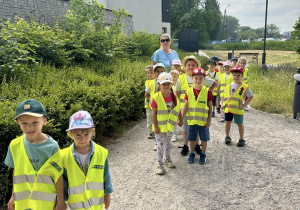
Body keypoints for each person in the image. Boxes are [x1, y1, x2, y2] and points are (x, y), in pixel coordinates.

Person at [4, 99, 66, 210]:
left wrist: (61, 201)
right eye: (24, 123)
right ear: (18, 123)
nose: (29, 128)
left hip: (45, 203)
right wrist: (13, 196)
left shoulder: (52, 147)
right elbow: (16, 172)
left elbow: (58, 175)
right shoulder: (14, 145)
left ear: (44, 121)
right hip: (23, 203)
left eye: (35, 123)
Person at [61, 111, 113, 209]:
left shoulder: (101, 152)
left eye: (86, 134)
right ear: (71, 134)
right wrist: (62, 200)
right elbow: (63, 179)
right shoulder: (64, 156)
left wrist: (107, 194)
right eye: (78, 135)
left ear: (92, 132)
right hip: (76, 204)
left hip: (96, 203)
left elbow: (106, 175)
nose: (82, 139)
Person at [175, 55, 217, 156]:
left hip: (198, 109)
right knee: (185, 129)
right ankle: (186, 146)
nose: (190, 67)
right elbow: (177, 94)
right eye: (188, 65)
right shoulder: (180, 78)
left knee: (196, 127)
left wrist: (206, 93)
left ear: (197, 66)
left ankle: (196, 145)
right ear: (185, 67)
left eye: (193, 65)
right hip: (184, 107)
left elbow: (215, 83)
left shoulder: (200, 76)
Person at [151, 72, 183, 175]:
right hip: (159, 128)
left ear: (171, 85)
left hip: (169, 127)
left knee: (168, 145)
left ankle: (167, 159)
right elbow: (154, 113)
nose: (166, 86)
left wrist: (180, 120)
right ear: (159, 85)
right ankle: (159, 164)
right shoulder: (155, 97)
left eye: (168, 84)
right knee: (160, 146)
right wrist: (155, 127)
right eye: (163, 84)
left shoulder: (174, 97)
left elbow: (178, 110)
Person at [182, 68, 213, 164]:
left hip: (203, 122)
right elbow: (185, 106)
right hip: (192, 121)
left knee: (204, 139)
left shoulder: (207, 91)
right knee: (191, 138)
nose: (198, 80)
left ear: (204, 79)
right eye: (196, 78)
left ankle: (203, 154)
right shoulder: (189, 91)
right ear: (192, 78)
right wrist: (181, 119)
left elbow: (210, 107)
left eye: (200, 78)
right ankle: (192, 153)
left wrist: (209, 121)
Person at [222, 66, 254, 147]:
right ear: (232, 75)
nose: (236, 77)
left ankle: (241, 138)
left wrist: (244, 104)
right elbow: (225, 96)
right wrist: (223, 105)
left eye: (238, 75)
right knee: (227, 122)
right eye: (234, 75)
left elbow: (250, 96)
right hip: (228, 109)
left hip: (238, 109)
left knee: (239, 123)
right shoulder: (228, 86)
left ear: (242, 76)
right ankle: (227, 136)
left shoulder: (244, 87)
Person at [145, 63, 165, 150]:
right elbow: (147, 94)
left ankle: (164, 141)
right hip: (154, 107)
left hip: (163, 107)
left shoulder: (166, 83)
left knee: (163, 123)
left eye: (161, 71)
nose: (159, 73)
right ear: (154, 72)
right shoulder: (151, 83)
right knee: (155, 123)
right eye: (157, 71)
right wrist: (151, 102)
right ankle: (157, 142)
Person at [144, 65, 155, 139]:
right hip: (148, 103)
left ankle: (154, 131)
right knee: (149, 117)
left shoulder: (156, 81)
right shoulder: (147, 82)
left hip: (154, 102)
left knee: (155, 117)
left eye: (151, 73)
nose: (149, 74)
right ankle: (150, 132)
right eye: (148, 73)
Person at [169, 70, 180, 142]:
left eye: (175, 77)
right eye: (171, 77)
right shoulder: (170, 86)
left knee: (176, 120)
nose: (173, 78)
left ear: (178, 77)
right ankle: (173, 134)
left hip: (178, 105)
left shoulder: (178, 85)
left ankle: (175, 134)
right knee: (172, 121)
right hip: (171, 106)